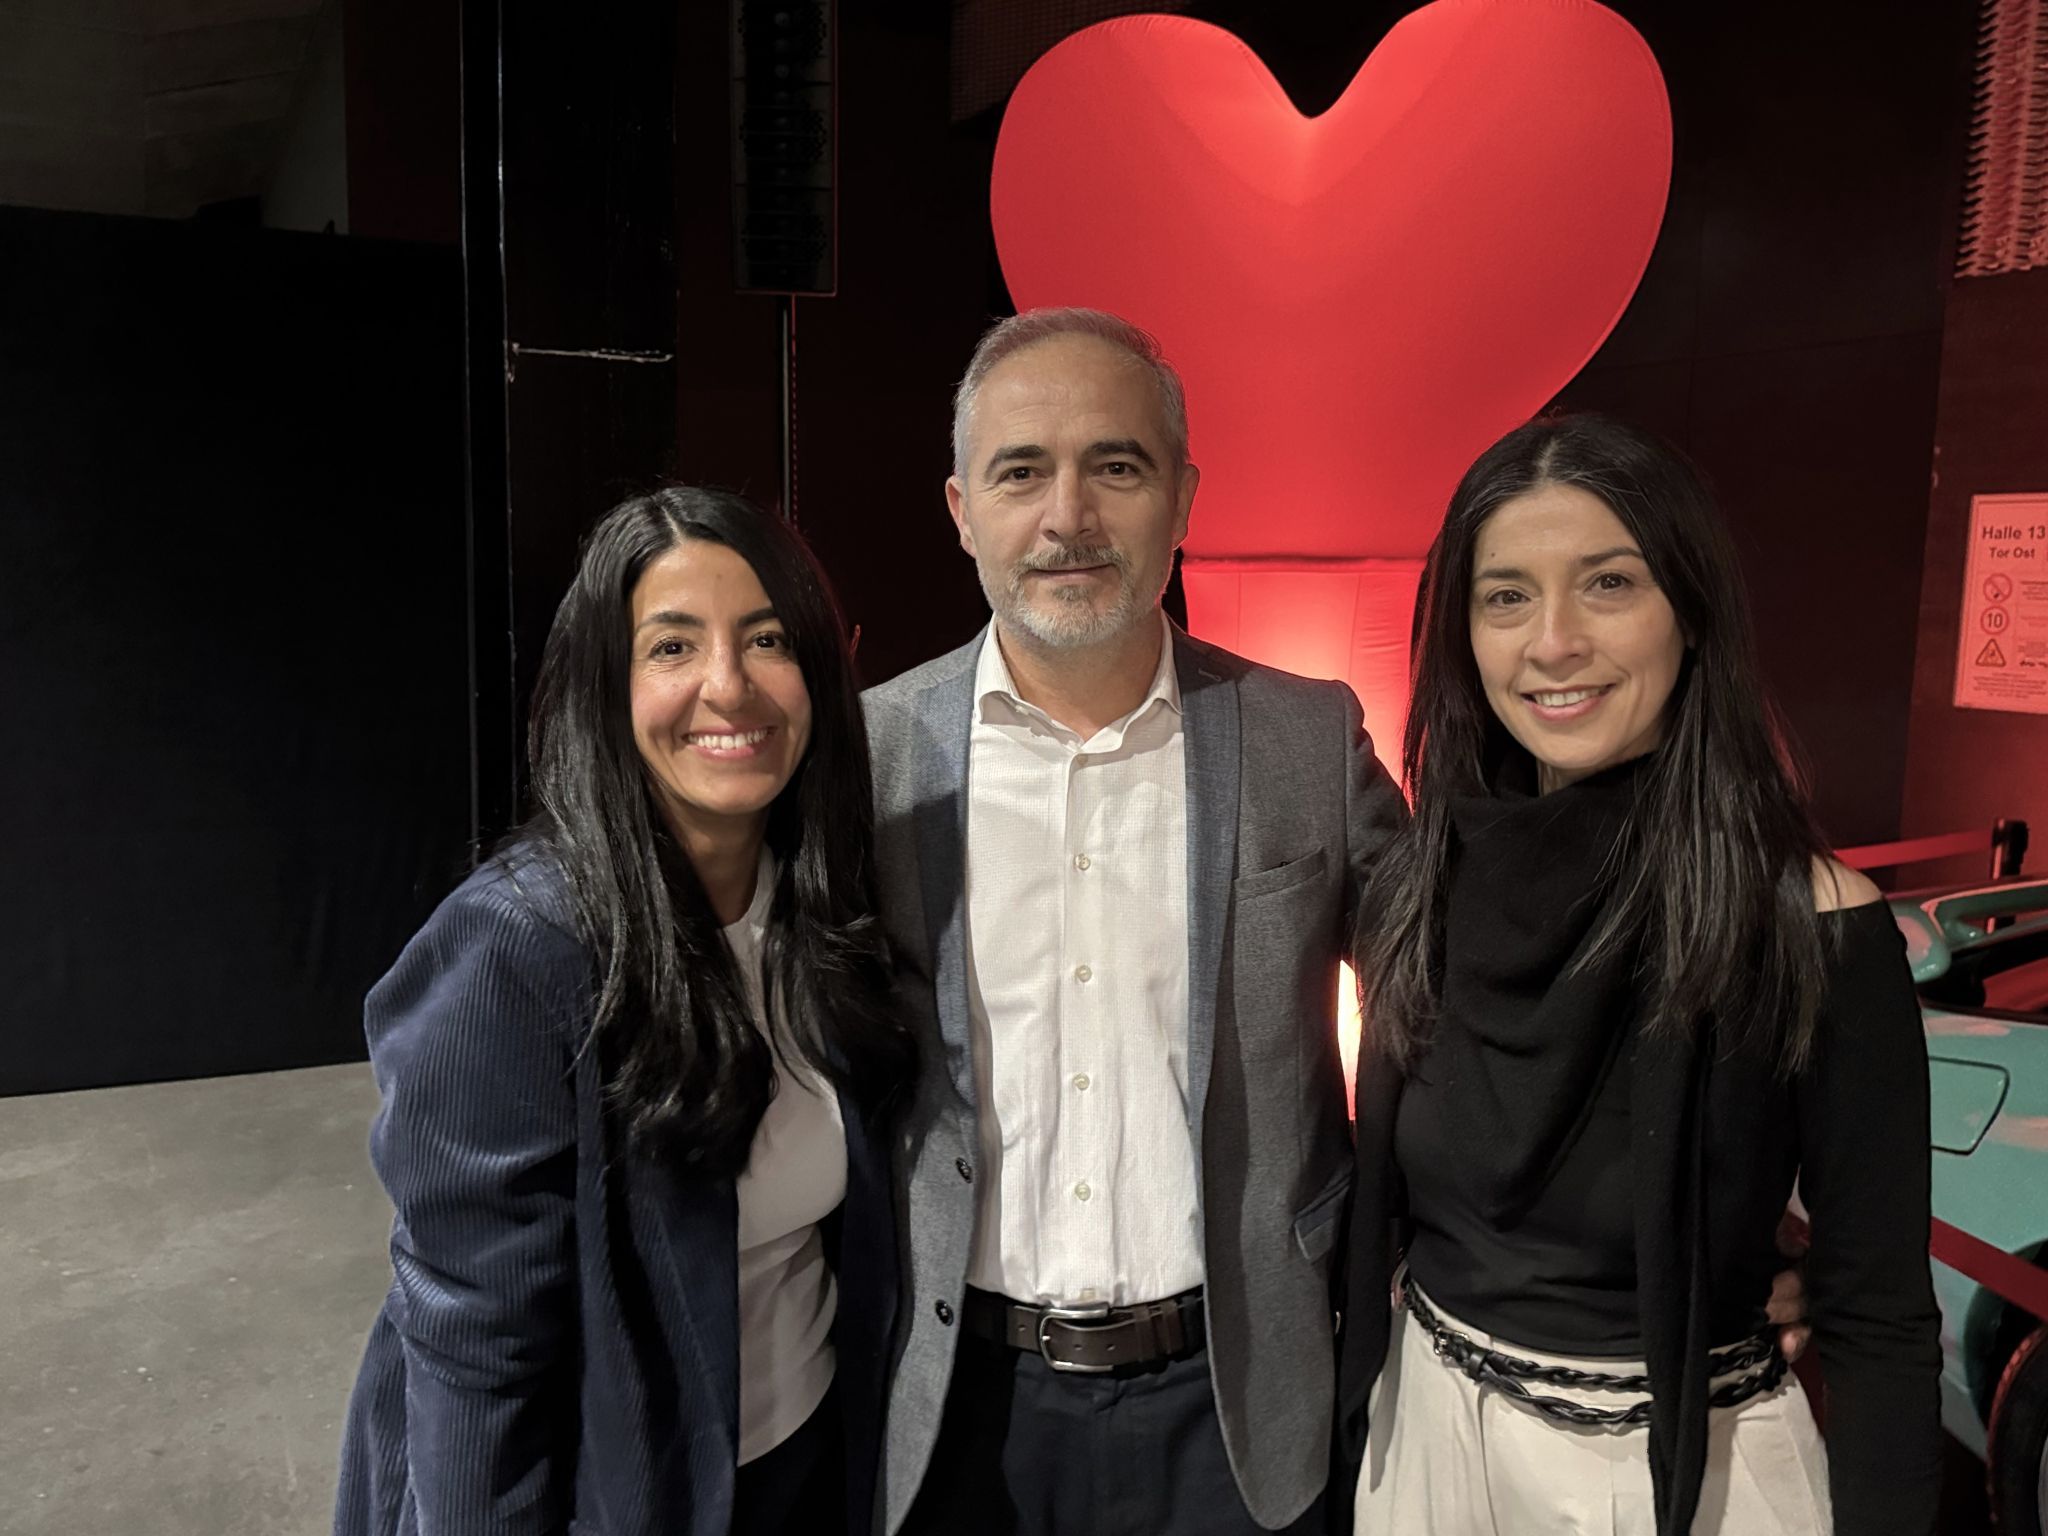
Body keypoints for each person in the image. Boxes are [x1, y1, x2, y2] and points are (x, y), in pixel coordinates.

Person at [859, 307, 1410, 1536]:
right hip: (956, 1408)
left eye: (1115, 466)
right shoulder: (871, 758)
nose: (1068, 517)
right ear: (960, 510)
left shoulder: (1301, 737)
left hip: (1238, 1402)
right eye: (1020, 473)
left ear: (1182, 496)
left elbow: (1462, 1002)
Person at [1339, 413, 1942, 1534]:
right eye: (1505, 596)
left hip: (1679, 1472)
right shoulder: (1425, 884)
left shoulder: (1804, 922)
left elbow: (1880, 1318)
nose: (1552, 642)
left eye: (1608, 584)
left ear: (1691, 612)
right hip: (1419, 1441)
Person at [333, 487, 915, 1536]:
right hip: (617, 1500)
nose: (727, 686)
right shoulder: (518, 949)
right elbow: (475, 1346)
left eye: (767, 640)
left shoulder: (824, 910)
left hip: (805, 1466)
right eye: (671, 647)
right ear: (606, 686)